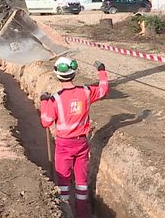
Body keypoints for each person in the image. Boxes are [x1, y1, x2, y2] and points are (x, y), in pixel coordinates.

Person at [40, 57, 109, 218]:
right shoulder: (85, 92)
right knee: (81, 184)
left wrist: (44, 101)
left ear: (57, 74)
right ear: (74, 73)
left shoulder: (55, 99)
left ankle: (65, 213)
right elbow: (103, 90)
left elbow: (45, 121)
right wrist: (102, 71)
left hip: (64, 146)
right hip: (82, 143)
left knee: (63, 184)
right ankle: (83, 214)